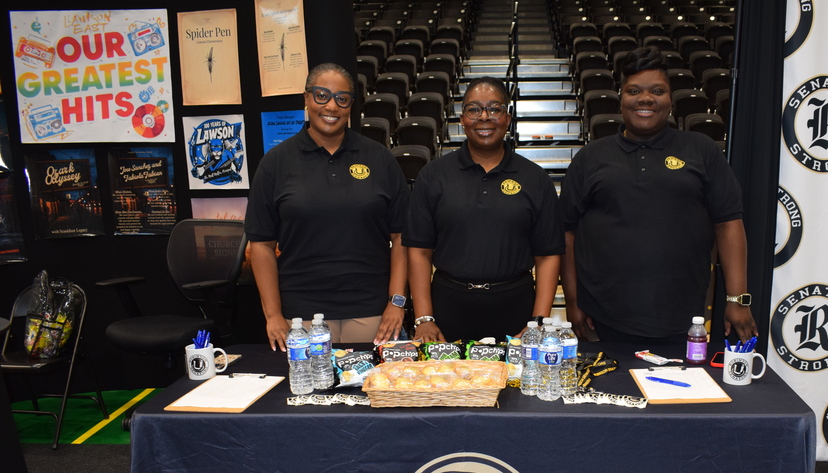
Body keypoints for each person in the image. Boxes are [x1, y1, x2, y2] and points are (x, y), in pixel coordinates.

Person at [560, 47, 758, 344]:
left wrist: (738, 299)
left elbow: (728, 224)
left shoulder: (701, 150)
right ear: (621, 97)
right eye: (634, 90)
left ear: (670, 100)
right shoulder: (590, 157)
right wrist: (574, 303)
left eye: (657, 90)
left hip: (684, 318)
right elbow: (568, 234)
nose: (645, 98)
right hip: (603, 318)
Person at [245, 63, 408, 349]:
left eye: (341, 98)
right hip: (302, 315)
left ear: (351, 106)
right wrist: (273, 315)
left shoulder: (380, 159)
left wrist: (397, 302)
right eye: (321, 95)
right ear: (306, 99)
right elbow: (261, 245)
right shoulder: (276, 163)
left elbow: (402, 237)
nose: (331, 106)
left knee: (371, 392)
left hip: (372, 311)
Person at [404, 76, 563, 342]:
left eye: (494, 108)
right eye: (474, 109)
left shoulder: (535, 179)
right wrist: (424, 318)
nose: (484, 117)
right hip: (448, 306)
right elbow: (418, 250)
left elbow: (548, 255)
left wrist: (537, 321)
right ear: (462, 119)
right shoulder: (433, 175)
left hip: (515, 305)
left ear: (507, 118)